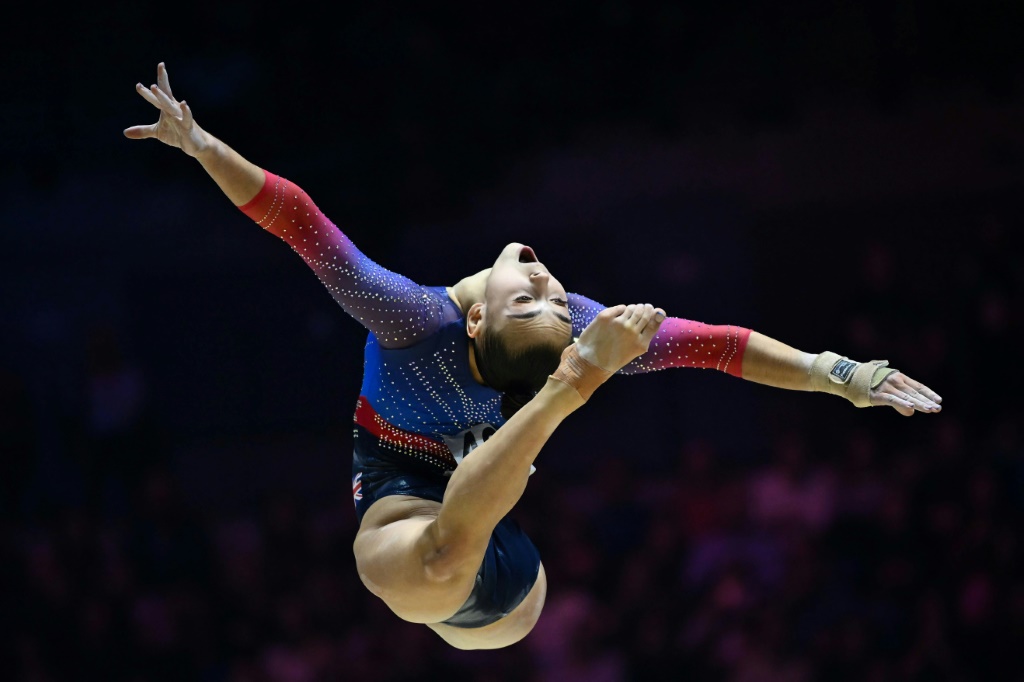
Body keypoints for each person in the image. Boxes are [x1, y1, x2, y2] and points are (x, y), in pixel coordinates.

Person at [124, 63, 942, 651]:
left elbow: (298, 223)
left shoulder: (434, 321)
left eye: (539, 297)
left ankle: (554, 410)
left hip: (415, 506)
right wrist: (843, 371)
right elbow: (300, 226)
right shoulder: (520, 328)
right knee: (442, 565)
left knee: (402, 571)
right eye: (548, 299)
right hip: (468, 514)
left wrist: (842, 375)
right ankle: (554, 411)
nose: (550, 285)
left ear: (479, 321)